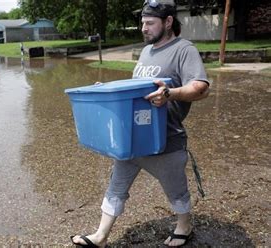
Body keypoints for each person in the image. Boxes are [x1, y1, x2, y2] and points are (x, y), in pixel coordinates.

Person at [70, 0, 210, 247]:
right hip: (132, 139)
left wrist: (171, 94)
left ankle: (184, 226)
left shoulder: (184, 49)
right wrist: (108, 91)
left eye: (149, 23)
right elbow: (137, 90)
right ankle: (101, 236)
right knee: (116, 186)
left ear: (168, 22)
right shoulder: (147, 51)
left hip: (166, 140)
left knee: (176, 191)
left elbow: (201, 89)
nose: (143, 28)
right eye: (142, 23)